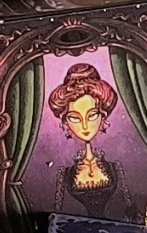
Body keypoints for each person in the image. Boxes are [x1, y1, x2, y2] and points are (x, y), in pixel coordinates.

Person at [46, 62, 133, 216]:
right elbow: (58, 215)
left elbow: (129, 208)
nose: (85, 126)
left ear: (102, 116)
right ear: (65, 122)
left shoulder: (115, 168)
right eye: (74, 118)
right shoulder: (64, 174)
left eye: (92, 115)